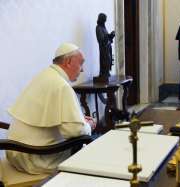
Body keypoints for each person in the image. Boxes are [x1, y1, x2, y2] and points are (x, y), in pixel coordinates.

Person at [6, 43, 96, 174]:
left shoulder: (45, 75)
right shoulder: (61, 85)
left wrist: (80, 120)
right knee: (90, 148)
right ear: (68, 62)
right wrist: (89, 125)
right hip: (37, 158)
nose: (82, 70)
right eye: (81, 63)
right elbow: (74, 131)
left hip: (15, 152)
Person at [96, 13, 115, 77]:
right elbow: (101, 39)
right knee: (105, 61)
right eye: (104, 20)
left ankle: (107, 72)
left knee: (109, 61)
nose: (105, 21)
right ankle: (104, 73)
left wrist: (111, 35)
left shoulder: (104, 28)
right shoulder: (98, 28)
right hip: (104, 49)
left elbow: (106, 37)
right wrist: (109, 36)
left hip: (108, 47)